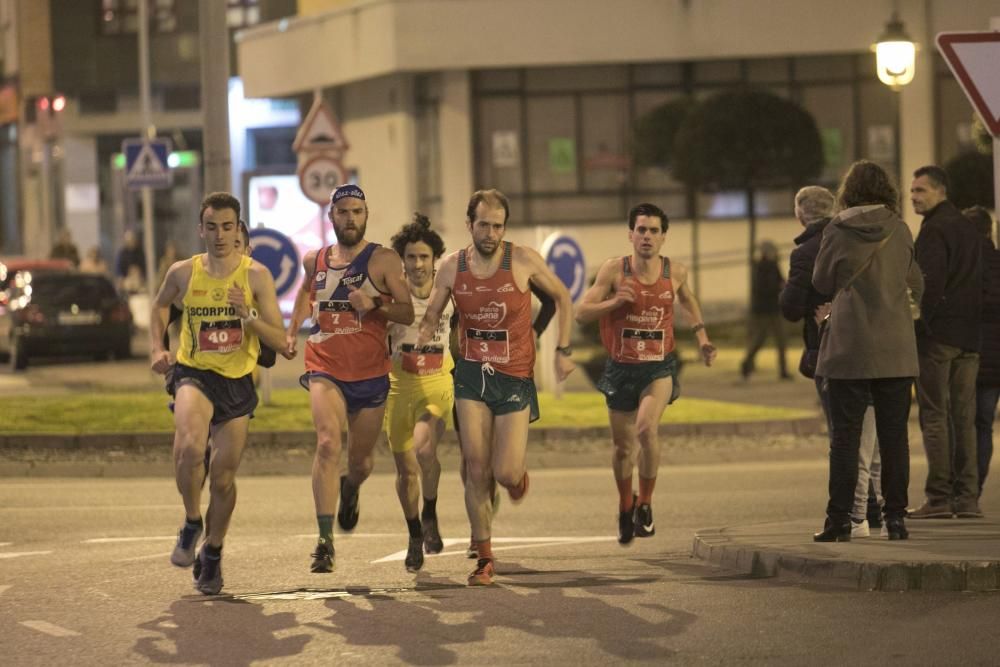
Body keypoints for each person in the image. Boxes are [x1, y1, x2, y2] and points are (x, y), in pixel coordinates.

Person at [416, 188, 575, 586]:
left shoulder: (521, 260)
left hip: (515, 375)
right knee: (475, 467)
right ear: (469, 224)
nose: (490, 232)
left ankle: (516, 480)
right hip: (471, 374)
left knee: (504, 471)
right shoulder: (453, 266)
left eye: (498, 225)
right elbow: (434, 310)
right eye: (483, 224)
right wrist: (423, 340)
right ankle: (484, 556)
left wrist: (562, 349)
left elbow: (562, 297)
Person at [149, 192, 292, 595]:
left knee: (224, 478)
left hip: (237, 382)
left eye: (227, 227)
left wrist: (246, 317)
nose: (219, 235)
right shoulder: (183, 272)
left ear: (238, 229)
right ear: (201, 229)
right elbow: (160, 307)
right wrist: (158, 348)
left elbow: (279, 339)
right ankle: (192, 520)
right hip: (193, 372)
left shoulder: (255, 277)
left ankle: (212, 551)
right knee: (190, 447)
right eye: (211, 227)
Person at [286, 184, 414, 574]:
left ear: (366, 215)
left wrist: (374, 302)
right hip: (325, 364)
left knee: (360, 463)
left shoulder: (384, 260)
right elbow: (306, 291)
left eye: (357, 211)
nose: (350, 219)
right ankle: (324, 542)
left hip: (371, 372)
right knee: (327, 442)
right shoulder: (315, 259)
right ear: (332, 217)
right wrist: (293, 330)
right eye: (343, 212)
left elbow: (408, 312)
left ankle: (351, 487)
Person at [575, 203, 716, 545]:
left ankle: (647, 504)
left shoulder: (675, 271)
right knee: (623, 448)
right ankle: (626, 503)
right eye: (641, 230)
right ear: (630, 235)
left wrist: (702, 337)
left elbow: (687, 299)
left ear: (663, 237)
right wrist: (614, 303)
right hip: (621, 368)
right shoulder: (614, 271)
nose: (647, 236)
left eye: (654, 231)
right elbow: (581, 313)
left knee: (645, 428)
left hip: (658, 366)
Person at [811, 160, 923, 542]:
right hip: (895, 349)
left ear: (849, 192)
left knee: (845, 437)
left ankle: (839, 521)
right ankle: (895, 519)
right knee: (895, 439)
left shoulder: (837, 230)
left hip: (848, 348)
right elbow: (916, 282)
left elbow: (821, 280)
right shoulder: (900, 228)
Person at [780, 186, 882, 538]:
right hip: (871, 344)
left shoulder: (807, 251)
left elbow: (791, 307)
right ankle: (875, 507)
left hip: (828, 349)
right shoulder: (858, 241)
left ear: (800, 213)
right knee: (871, 430)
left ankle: (855, 515)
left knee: (843, 434)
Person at [909, 165, 984, 519]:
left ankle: (938, 498)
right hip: (970, 337)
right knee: (964, 417)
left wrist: (922, 325)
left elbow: (929, 286)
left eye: (921, 190)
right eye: (912, 191)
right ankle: (967, 499)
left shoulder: (934, 231)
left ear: (941, 191)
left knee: (935, 415)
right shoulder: (969, 229)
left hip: (940, 337)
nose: (913, 197)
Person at [384, 213, 453, 572]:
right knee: (405, 468)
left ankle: (430, 509)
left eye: (424, 257)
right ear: (403, 260)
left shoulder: (448, 291)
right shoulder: (392, 294)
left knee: (425, 448)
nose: (418, 264)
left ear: (435, 259)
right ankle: (414, 533)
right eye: (411, 257)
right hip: (399, 385)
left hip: (438, 381)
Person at [966, 205, 1000, 499]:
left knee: (962, 421)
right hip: (996, 359)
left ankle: (962, 487)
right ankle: (974, 488)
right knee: (984, 424)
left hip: (968, 352)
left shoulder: (963, 266)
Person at [740, 240, 789, 380]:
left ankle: (783, 371)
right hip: (762, 310)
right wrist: (778, 287)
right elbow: (763, 288)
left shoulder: (774, 266)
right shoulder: (760, 267)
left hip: (774, 308)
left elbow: (780, 281)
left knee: (781, 340)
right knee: (759, 340)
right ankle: (746, 365)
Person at [117, 229, 146, 293]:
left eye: (132, 240)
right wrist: (121, 277)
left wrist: (138, 271)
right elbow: (119, 268)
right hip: (126, 277)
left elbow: (143, 266)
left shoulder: (140, 253)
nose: (131, 242)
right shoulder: (122, 253)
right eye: (129, 241)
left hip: (138, 277)